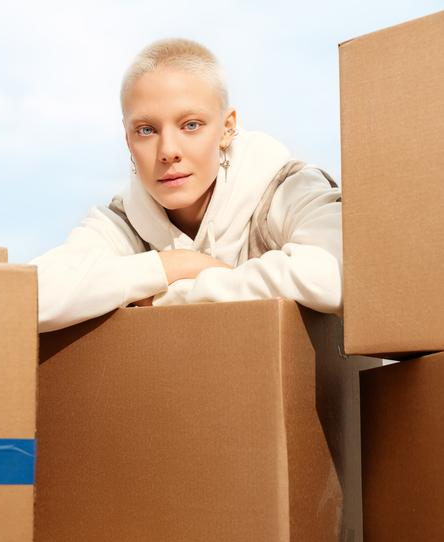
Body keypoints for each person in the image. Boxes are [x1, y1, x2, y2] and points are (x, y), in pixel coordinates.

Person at [29, 37, 343, 333]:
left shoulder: (288, 188)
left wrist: (174, 295)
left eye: (190, 125)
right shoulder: (122, 220)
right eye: (146, 130)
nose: (168, 151)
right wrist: (174, 265)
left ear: (227, 128)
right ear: (127, 140)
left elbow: (337, 275)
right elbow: (26, 299)